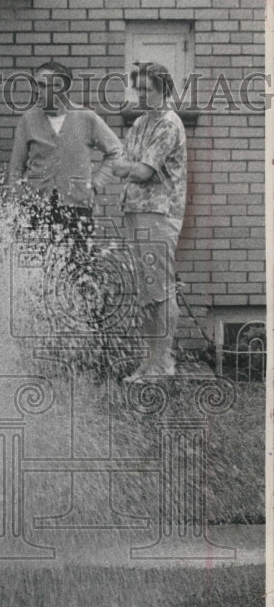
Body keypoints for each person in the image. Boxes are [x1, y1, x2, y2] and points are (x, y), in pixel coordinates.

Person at [113, 62, 187, 379]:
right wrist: (127, 167)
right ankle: (149, 360)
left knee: (161, 289)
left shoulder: (169, 124)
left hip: (159, 213)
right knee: (146, 290)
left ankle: (163, 362)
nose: (141, 94)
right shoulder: (142, 122)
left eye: (148, 89)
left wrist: (126, 168)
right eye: (138, 88)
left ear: (164, 90)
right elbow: (123, 162)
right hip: (135, 209)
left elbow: (141, 171)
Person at [8, 61, 122, 221]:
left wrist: (95, 185)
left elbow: (116, 151)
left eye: (41, 85)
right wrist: (18, 198)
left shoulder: (86, 118)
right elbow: (16, 169)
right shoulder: (27, 121)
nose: (35, 91)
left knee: (76, 247)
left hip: (77, 209)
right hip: (35, 209)